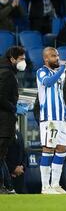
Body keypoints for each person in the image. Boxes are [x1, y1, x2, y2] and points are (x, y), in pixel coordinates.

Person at [34, 71, 66, 193]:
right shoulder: (46, 84)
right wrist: (41, 123)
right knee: (49, 152)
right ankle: (47, 186)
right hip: (51, 123)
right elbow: (37, 106)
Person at [36, 47, 66, 194]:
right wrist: (62, 68)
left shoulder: (60, 74)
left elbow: (59, 95)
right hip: (49, 118)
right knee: (48, 149)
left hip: (60, 117)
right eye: (53, 56)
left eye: (57, 55)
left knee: (62, 150)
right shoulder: (42, 72)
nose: (57, 58)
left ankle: (55, 185)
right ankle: (45, 187)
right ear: (46, 58)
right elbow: (49, 83)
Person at [0, 46, 27, 194]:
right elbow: (1, 98)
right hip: (3, 122)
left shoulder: (8, 72)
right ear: (12, 59)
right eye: (21, 59)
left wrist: (15, 105)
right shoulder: (6, 74)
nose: (24, 62)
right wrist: (14, 108)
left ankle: (3, 187)